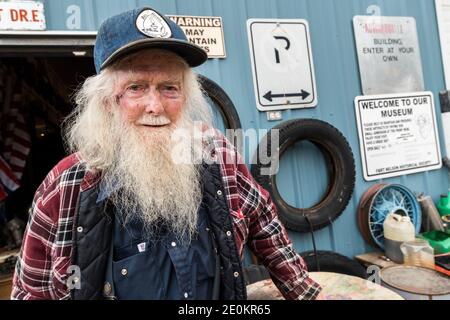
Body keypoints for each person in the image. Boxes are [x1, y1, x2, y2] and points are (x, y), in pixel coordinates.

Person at [11, 7, 322, 300]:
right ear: (107, 102)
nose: (155, 106)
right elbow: (29, 291)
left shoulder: (217, 156)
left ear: (185, 97)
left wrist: (305, 292)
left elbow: (262, 218)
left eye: (169, 88)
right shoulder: (66, 188)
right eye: (136, 87)